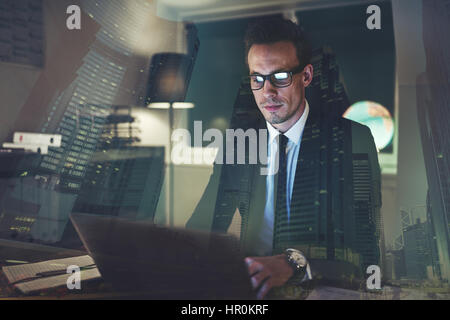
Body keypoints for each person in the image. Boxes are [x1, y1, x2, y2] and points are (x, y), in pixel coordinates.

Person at [186, 17, 380, 299]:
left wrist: (296, 264)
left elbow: (366, 250)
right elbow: (203, 228)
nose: (268, 92)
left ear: (307, 76)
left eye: (280, 77)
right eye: (257, 78)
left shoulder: (352, 139)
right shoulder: (238, 143)